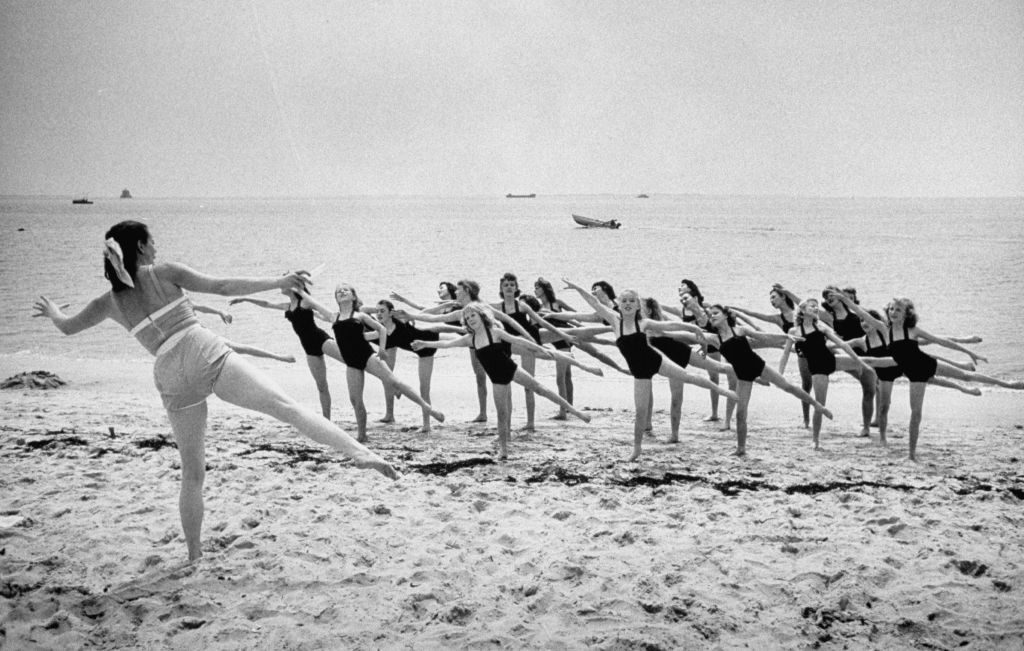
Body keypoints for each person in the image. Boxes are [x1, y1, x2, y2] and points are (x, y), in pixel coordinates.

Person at [32, 221, 397, 561]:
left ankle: (194, 555)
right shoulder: (163, 272)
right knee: (285, 407)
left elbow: (66, 328)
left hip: (168, 371)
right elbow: (222, 286)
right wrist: (279, 281)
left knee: (192, 473)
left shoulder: (108, 302)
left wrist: (52, 311)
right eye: (152, 242)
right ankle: (359, 452)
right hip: (201, 349)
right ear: (141, 247)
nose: (156, 247)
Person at [563, 280, 740, 461]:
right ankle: (637, 448)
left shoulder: (644, 323)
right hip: (640, 372)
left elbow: (670, 327)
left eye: (632, 301)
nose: (628, 304)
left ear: (638, 305)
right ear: (619, 304)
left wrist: (694, 327)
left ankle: (722, 390)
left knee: (688, 377)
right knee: (640, 411)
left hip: (656, 360)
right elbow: (595, 303)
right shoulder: (616, 321)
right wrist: (577, 288)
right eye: (624, 301)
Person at [843, 296, 1022, 460]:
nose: (894, 312)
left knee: (966, 376)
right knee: (916, 413)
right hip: (914, 375)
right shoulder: (885, 330)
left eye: (898, 310)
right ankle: (911, 455)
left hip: (927, 363)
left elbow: (941, 341)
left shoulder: (912, 330)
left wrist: (969, 352)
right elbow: (860, 312)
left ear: (906, 314)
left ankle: (1007, 384)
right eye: (891, 309)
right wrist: (844, 298)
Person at [411, 303, 596, 460]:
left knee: (542, 389)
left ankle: (576, 412)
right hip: (497, 380)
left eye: (472, 315)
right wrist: (425, 344)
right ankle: (504, 450)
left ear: (481, 316)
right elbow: (446, 344)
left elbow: (518, 340)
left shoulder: (495, 331)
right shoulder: (470, 339)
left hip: (511, 368)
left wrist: (540, 349)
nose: (470, 319)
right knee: (502, 415)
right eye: (466, 318)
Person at [302, 284, 445, 442]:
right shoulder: (333, 316)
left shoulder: (360, 316)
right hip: (351, 362)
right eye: (338, 291)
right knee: (355, 399)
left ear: (353, 297)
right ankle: (362, 435)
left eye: (345, 290)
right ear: (336, 298)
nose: (341, 292)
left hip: (367, 356)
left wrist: (382, 350)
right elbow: (313, 302)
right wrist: (297, 288)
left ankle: (428, 408)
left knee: (394, 381)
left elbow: (381, 330)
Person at [704, 304, 833, 457]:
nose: (712, 316)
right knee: (740, 414)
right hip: (742, 375)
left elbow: (764, 337)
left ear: (726, 315)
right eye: (710, 314)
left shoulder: (740, 330)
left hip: (757, 365)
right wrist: (701, 348)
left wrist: (785, 337)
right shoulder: (714, 339)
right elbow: (692, 336)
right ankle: (741, 448)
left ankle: (819, 407)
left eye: (715, 313)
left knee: (788, 386)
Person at [781, 298, 879, 449]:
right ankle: (815, 440)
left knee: (869, 361)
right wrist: (780, 375)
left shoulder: (821, 326)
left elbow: (841, 344)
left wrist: (858, 361)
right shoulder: (793, 332)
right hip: (818, 369)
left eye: (816, 306)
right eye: (812, 306)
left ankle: (899, 363)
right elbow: (786, 353)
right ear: (802, 310)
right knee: (820, 404)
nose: (815, 308)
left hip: (831, 360)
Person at [228, 290, 341, 418]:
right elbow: (266, 303)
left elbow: (325, 314)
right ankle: (327, 421)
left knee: (351, 359)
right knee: (321, 386)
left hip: (321, 339)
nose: (281, 285)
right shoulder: (287, 306)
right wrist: (245, 298)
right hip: (308, 348)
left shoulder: (305, 302)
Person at [366, 299, 461, 433]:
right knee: (424, 388)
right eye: (377, 312)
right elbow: (364, 334)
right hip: (423, 353)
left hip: (430, 339)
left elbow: (430, 320)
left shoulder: (401, 321)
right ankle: (426, 425)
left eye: (382, 311)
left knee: (468, 341)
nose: (379, 314)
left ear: (391, 313)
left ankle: (426, 425)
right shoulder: (380, 331)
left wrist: (460, 328)